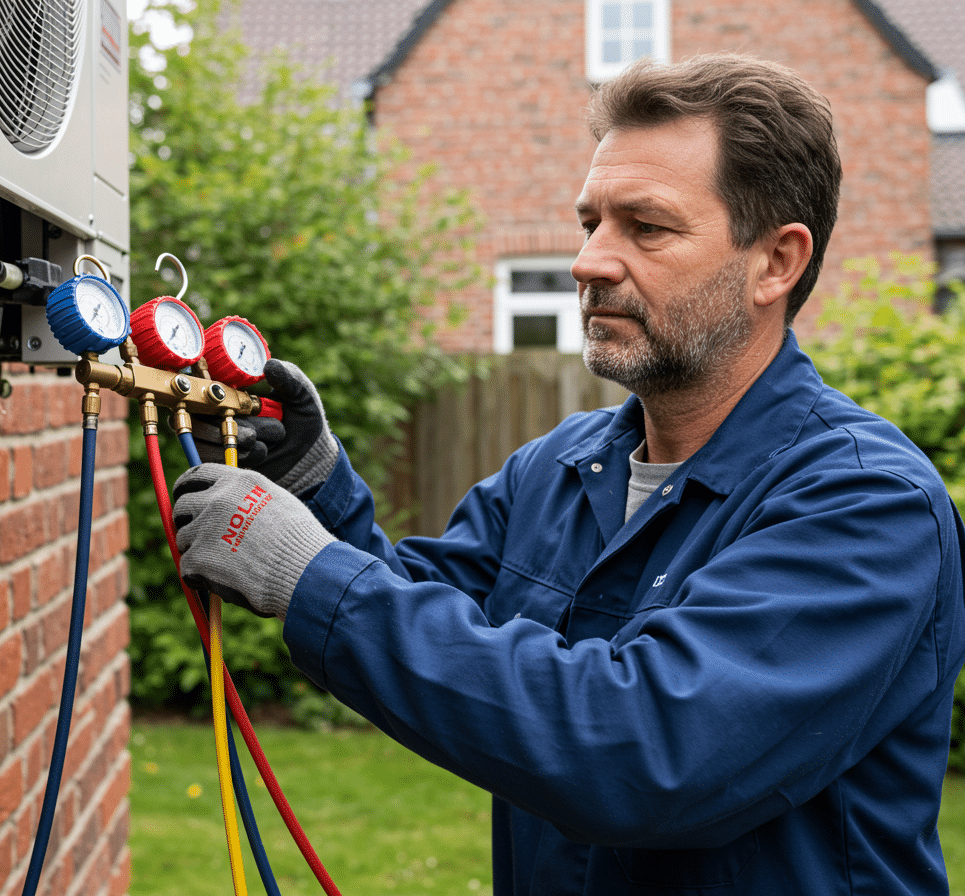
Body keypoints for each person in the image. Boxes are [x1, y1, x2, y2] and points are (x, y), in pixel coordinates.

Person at [172, 53, 965, 895]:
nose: (588, 261)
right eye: (590, 222)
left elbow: (648, 752)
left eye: (646, 227)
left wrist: (306, 573)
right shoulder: (561, 466)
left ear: (776, 262)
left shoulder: (866, 503)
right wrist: (315, 484)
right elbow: (429, 631)